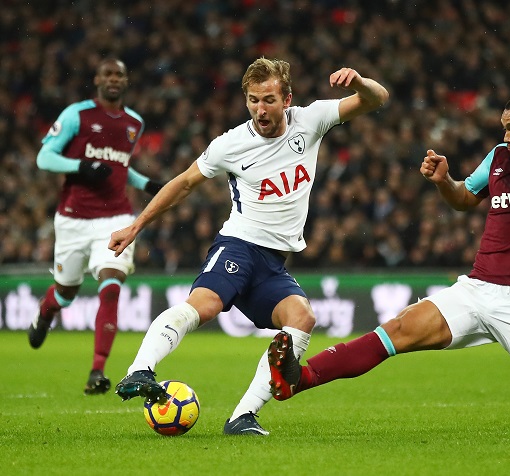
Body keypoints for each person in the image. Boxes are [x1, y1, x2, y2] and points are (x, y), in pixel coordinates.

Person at [268, 66, 510, 434]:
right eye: (504, 128)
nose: (507, 137)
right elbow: (464, 199)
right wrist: (443, 181)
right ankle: (299, 378)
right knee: (398, 330)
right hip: (478, 288)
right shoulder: (499, 159)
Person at [109, 57, 389, 435]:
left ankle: (242, 416)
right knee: (204, 305)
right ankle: (139, 370)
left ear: (287, 98)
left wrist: (359, 82)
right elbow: (184, 182)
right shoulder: (231, 144)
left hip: (273, 263)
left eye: (269, 99)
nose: (261, 109)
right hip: (239, 246)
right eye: (254, 100)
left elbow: (377, 99)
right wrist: (137, 225)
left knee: (302, 318)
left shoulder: (313, 119)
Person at [28, 58, 164, 395]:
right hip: (74, 218)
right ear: (97, 79)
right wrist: (83, 166)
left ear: (126, 80)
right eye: (108, 74)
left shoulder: (135, 122)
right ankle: (45, 314)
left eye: (119, 73)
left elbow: (120, 166)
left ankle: (97, 370)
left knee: (112, 283)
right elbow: (44, 157)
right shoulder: (77, 115)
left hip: (117, 218)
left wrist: (147, 185)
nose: (114, 79)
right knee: (65, 292)